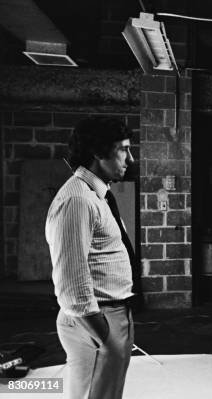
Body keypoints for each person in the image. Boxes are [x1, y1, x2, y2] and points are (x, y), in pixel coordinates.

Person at [45, 116, 136, 399]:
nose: (130, 159)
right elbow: (71, 282)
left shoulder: (96, 195)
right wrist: (104, 334)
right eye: (123, 149)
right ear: (98, 152)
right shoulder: (77, 200)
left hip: (111, 314)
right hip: (96, 318)